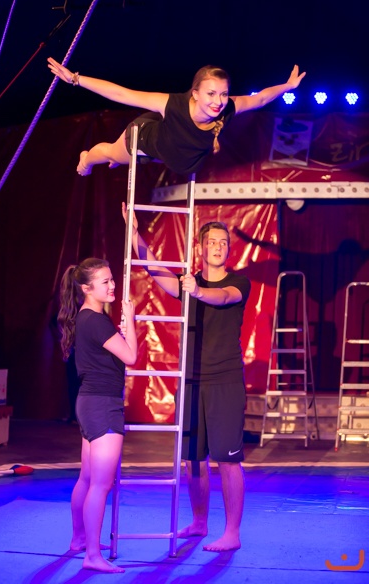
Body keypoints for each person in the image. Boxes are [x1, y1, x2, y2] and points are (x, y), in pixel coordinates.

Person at [122, 203, 251, 552]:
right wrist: (134, 234)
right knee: (193, 459)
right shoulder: (189, 282)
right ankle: (199, 522)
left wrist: (196, 291)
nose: (219, 247)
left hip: (224, 381)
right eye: (212, 242)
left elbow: (222, 297)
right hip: (191, 381)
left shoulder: (239, 282)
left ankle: (232, 533)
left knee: (228, 459)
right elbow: (154, 268)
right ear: (201, 246)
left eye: (223, 242)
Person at [47, 57, 306, 176]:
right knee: (110, 154)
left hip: (171, 153)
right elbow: (122, 93)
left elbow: (260, 98)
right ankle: (86, 159)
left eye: (224, 94)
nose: (218, 102)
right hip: (145, 141)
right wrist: (76, 79)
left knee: (129, 158)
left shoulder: (227, 108)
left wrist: (287, 87)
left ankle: (119, 159)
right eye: (211, 94)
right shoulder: (173, 104)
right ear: (195, 93)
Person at [58, 258, 137, 573]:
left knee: (88, 478)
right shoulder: (97, 321)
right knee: (101, 484)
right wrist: (131, 321)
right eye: (105, 281)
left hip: (90, 402)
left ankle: (80, 539)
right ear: (87, 288)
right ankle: (92, 554)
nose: (113, 285)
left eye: (112, 279)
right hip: (102, 405)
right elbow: (131, 356)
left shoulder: (85, 317)